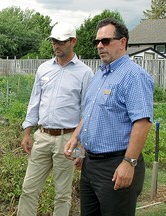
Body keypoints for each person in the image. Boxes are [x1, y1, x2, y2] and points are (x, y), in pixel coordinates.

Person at [64, 18, 154, 216]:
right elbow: (89, 114)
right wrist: (77, 140)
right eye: (97, 41)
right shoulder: (100, 75)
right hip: (91, 165)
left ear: (122, 43)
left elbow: (142, 122)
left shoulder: (133, 76)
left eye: (105, 41)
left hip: (116, 165)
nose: (99, 46)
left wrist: (129, 163)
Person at [17, 22, 94, 216]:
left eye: (60, 41)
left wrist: (81, 146)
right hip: (42, 136)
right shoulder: (44, 69)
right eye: (53, 41)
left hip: (67, 139)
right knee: (29, 188)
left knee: (62, 193)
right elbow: (34, 102)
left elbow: (87, 112)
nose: (56, 46)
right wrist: (27, 132)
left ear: (73, 41)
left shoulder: (84, 73)